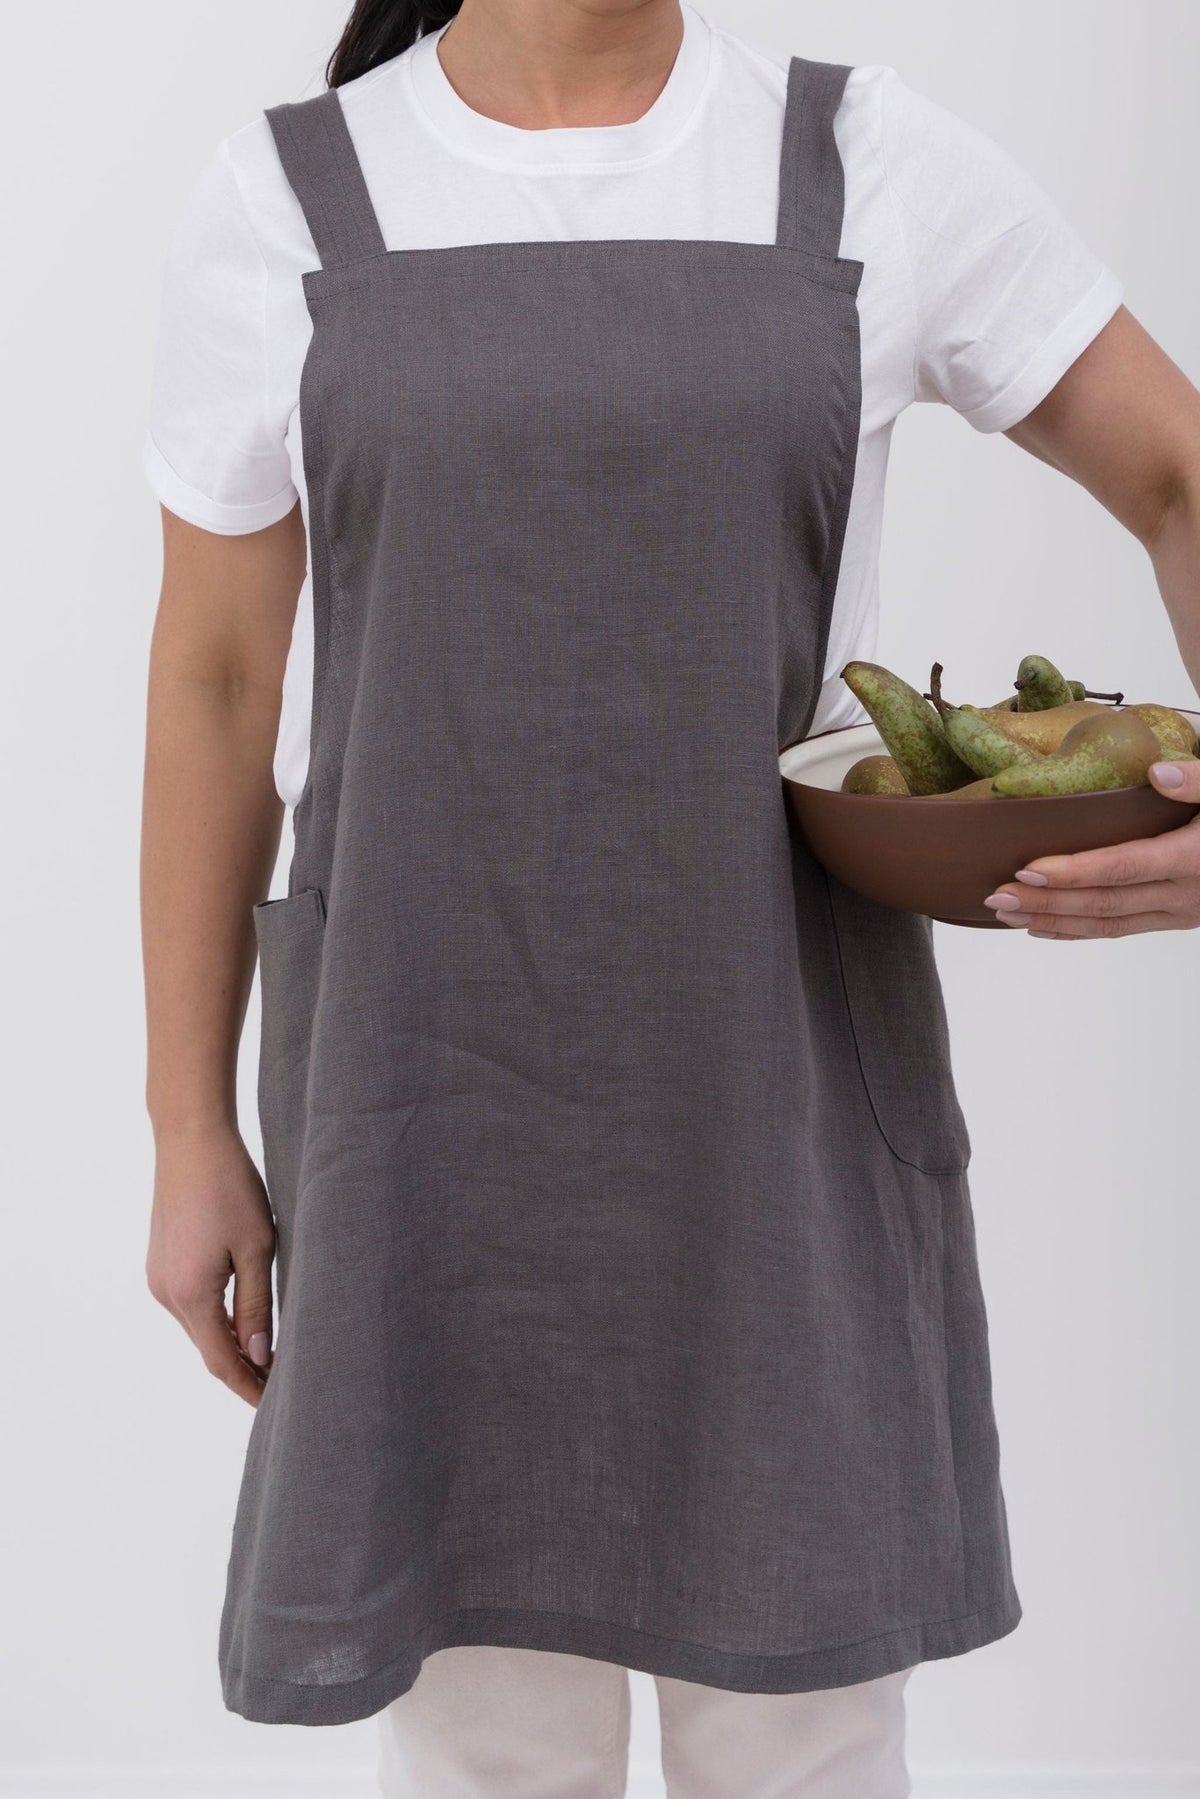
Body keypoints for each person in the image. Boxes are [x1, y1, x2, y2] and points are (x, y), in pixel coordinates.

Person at [139, 0, 1200, 1792]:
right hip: (422, 1100)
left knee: (807, 1736)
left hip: (773, 1083)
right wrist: (188, 1128)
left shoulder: (864, 157)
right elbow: (218, 682)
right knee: (485, 1745)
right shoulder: (288, 196)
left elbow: (1175, 469)